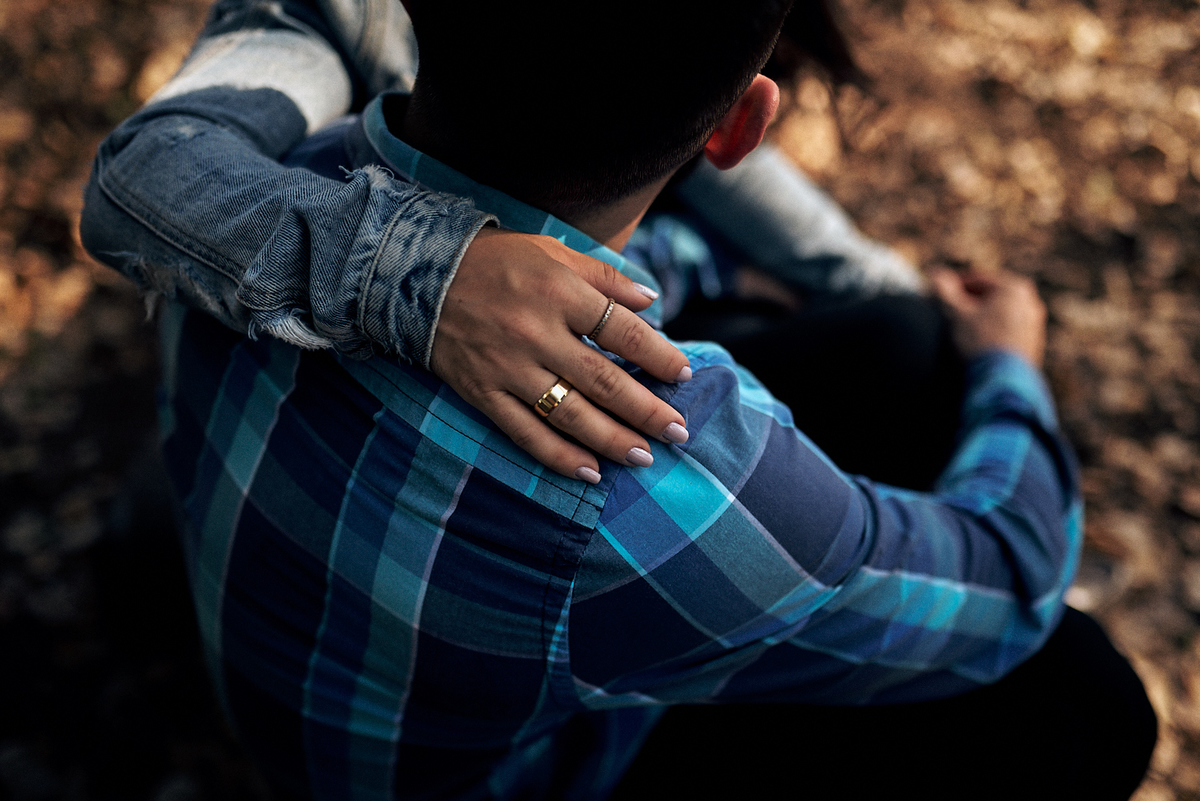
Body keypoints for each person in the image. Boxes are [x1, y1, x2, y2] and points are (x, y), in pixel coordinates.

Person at [136, 1, 1155, 799]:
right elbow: (1012, 580)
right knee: (1084, 699)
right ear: (742, 126)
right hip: (518, 769)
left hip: (325, 680)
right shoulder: (655, 471)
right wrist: (1011, 364)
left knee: (895, 342)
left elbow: (140, 174)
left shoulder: (262, 183)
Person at [79, 0, 924, 485]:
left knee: (896, 334)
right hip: (267, 452)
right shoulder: (346, 15)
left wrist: (871, 279)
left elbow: (697, 119)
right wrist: (431, 276)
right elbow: (141, 175)